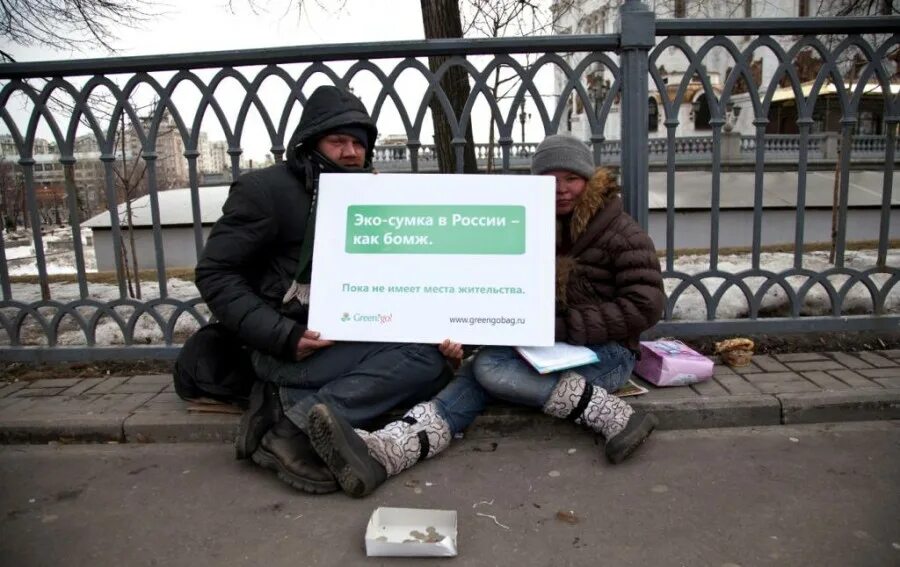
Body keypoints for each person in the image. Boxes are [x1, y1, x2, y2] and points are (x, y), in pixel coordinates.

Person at [305, 134, 666, 497]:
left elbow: (646, 305)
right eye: (550, 180)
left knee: (489, 369)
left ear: (589, 180)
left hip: (609, 353)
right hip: (545, 345)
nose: (560, 189)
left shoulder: (620, 231)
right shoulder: (532, 223)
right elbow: (499, 293)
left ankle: (615, 415)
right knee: (478, 371)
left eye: (570, 178)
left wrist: (563, 327)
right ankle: (385, 453)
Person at [194, 85, 449, 494]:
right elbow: (216, 274)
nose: (350, 152)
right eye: (338, 141)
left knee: (432, 361)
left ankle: (286, 405)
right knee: (420, 360)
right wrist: (284, 336)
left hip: (346, 336)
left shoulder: (374, 194)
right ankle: (290, 432)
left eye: (358, 144)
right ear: (311, 142)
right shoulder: (266, 191)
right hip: (286, 346)